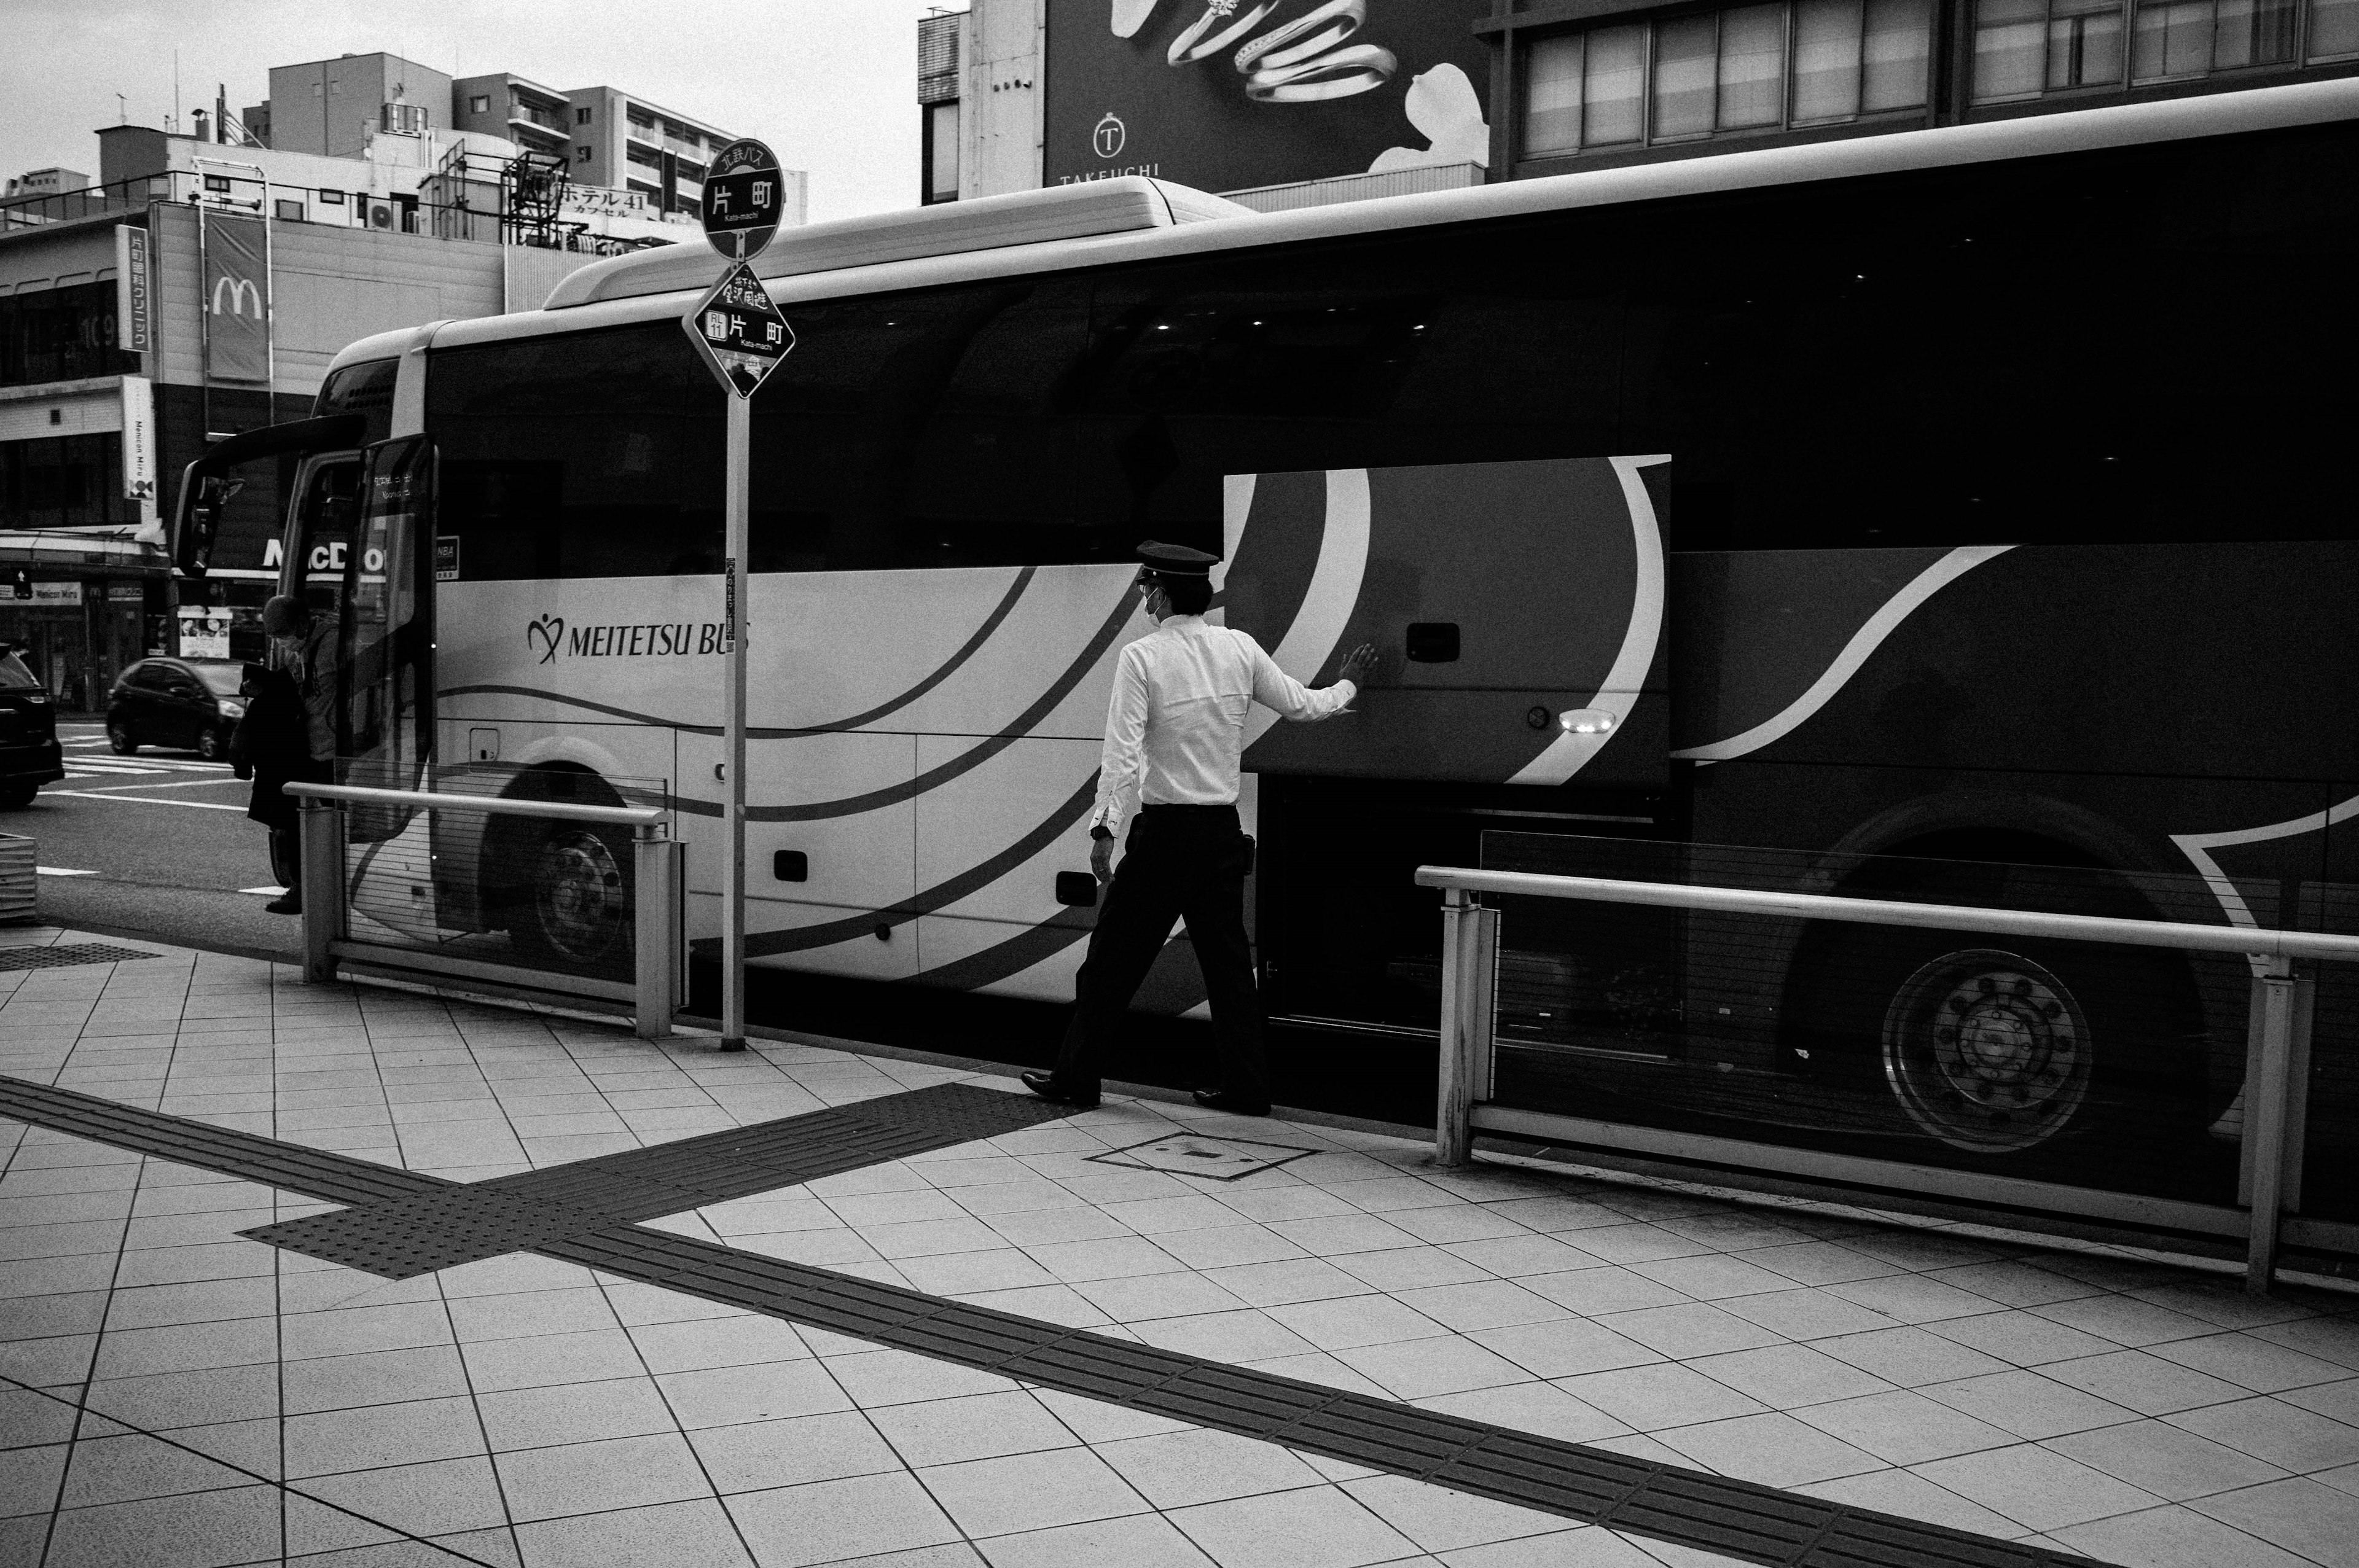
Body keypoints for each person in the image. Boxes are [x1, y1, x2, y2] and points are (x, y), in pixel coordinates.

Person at [1024, 542, 1378, 1117]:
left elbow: (1121, 752)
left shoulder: (1141, 658)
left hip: (1164, 837)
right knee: (1230, 972)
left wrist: (1104, 828)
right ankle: (1248, 1088)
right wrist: (1350, 686)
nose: (1144, 598)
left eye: (1146, 589)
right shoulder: (1239, 648)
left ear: (1162, 593)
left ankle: (1076, 1078)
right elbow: (1301, 706)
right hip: (1219, 836)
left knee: (1112, 961)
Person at [242, 596, 336, 914]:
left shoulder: (331, 645)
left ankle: (316, 889)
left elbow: (313, 697)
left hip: (331, 750)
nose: (281, 641)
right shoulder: (301, 651)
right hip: (313, 749)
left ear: (301, 623)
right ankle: (304, 886)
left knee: (323, 820)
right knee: (299, 818)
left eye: (283, 633)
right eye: (274, 636)